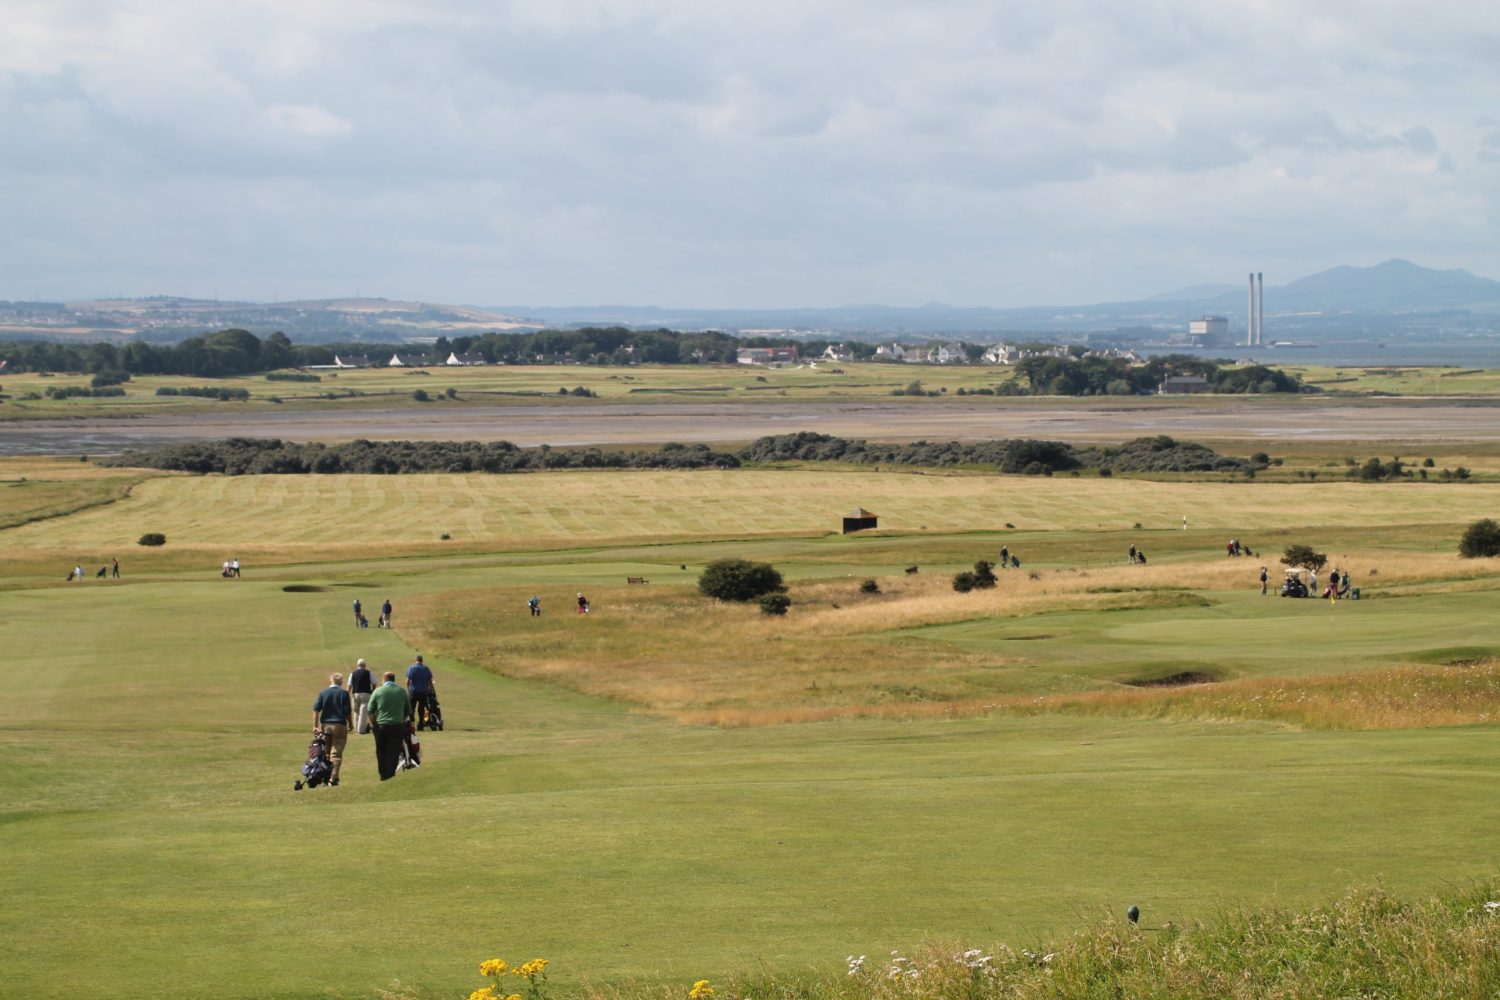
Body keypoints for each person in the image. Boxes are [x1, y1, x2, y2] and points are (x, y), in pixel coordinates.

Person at [367, 672, 412, 780]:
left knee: (381, 750)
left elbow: (370, 710)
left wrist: (374, 724)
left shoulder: (378, 691)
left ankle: (383, 774)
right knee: (394, 750)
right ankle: (390, 774)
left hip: (381, 725)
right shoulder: (402, 692)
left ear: (384, 679)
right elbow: (408, 710)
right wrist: (401, 719)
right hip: (397, 726)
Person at [312, 672, 354, 786]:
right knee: (336, 754)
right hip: (339, 725)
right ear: (341, 682)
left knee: (326, 753)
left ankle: (325, 778)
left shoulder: (323, 693)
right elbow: (347, 712)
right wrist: (351, 724)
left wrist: (315, 726)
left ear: (331, 681)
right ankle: (333, 779)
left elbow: (316, 710)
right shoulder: (344, 693)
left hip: (325, 725)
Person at [406, 655, 437, 730]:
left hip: (413, 691)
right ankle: (421, 723)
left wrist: (408, 689)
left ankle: (411, 722)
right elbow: (430, 681)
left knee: (411, 708)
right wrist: (431, 690)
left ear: (415, 660)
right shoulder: (426, 668)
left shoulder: (411, 668)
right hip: (423, 692)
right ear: (422, 660)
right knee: (422, 708)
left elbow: (408, 681)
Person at [348, 658, 375, 735]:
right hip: (366, 694)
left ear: (357, 665)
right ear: (365, 665)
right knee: (363, 712)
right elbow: (374, 683)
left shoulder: (352, 673)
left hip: (355, 694)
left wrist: (347, 694)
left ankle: (356, 728)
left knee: (356, 711)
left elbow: (349, 685)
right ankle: (361, 730)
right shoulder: (369, 673)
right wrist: (373, 690)